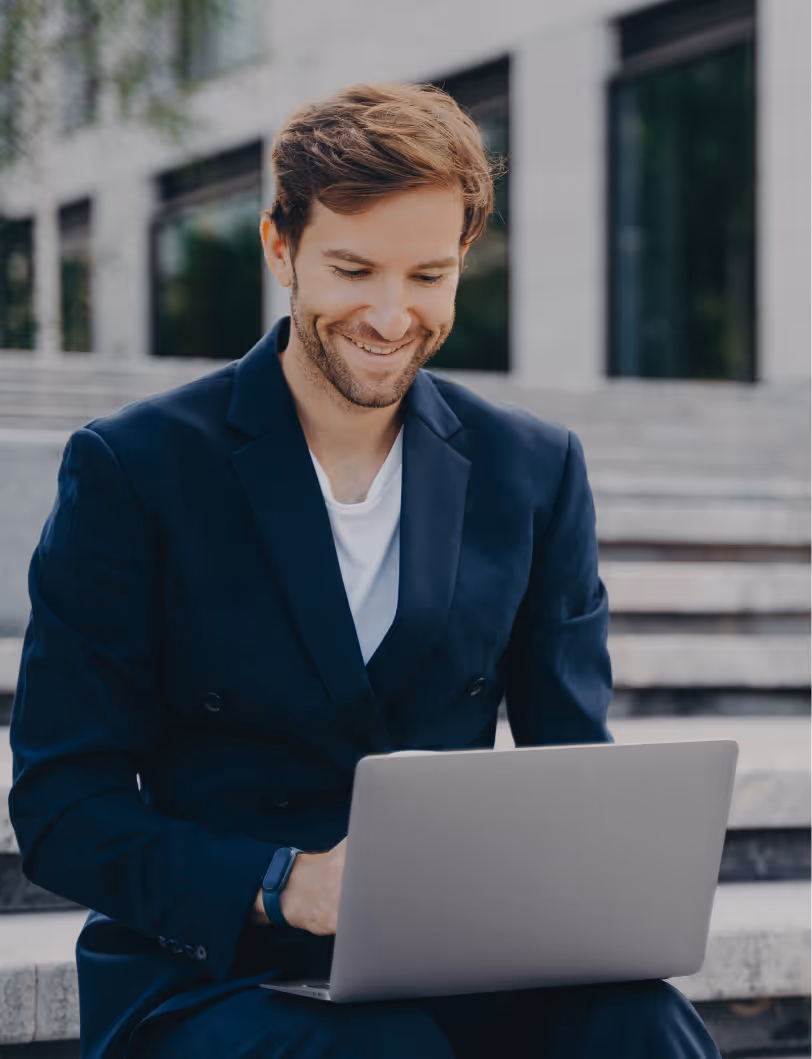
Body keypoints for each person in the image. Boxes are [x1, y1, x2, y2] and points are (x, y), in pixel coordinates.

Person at [8, 82, 721, 1059]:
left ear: (462, 261)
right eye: (353, 270)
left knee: (640, 1025)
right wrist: (281, 881)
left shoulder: (532, 469)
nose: (391, 317)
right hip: (217, 973)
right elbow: (62, 802)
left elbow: (571, 773)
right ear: (279, 248)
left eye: (427, 276)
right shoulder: (134, 469)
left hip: (463, 958)